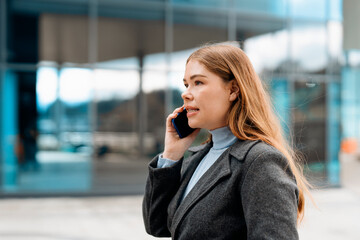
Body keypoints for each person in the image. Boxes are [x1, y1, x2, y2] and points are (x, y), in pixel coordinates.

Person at [142, 43, 312, 239]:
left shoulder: (260, 162)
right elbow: (157, 225)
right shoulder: (199, 157)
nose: (186, 93)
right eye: (186, 84)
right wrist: (171, 154)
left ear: (233, 90)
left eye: (198, 82)